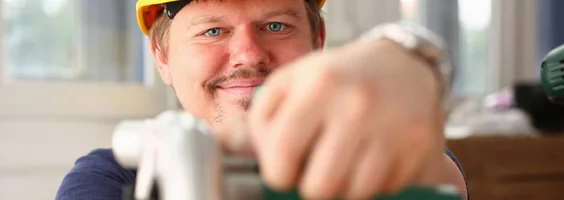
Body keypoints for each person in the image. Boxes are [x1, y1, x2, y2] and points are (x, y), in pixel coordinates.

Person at [55, 0, 469, 199]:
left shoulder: (365, 154)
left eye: (275, 25)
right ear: (163, 58)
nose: (250, 55)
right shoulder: (109, 179)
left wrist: (411, 58)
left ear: (318, 42)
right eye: (212, 31)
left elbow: (443, 180)